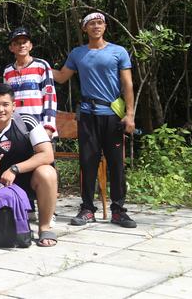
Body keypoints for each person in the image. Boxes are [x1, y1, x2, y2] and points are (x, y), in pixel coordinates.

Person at [53, 12, 136, 228]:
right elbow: (61, 77)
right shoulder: (78, 53)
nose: (96, 26)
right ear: (84, 29)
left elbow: (127, 84)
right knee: (87, 162)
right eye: (91, 24)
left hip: (112, 116)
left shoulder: (118, 51)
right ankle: (87, 209)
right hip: (88, 115)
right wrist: (35, 65)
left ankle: (118, 210)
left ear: (105, 26)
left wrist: (130, 114)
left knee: (116, 164)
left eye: (100, 23)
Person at [0, 83, 58, 247]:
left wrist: (15, 169)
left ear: (14, 106)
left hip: (29, 181)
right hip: (0, 188)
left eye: (5, 104)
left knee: (47, 172)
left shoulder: (27, 123)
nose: (0, 109)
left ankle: (44, 228)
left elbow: (47, 154)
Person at [3, 27, 58, 137]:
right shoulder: (7, 71)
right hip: (16, 128)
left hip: (40, 126)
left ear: (31, 46)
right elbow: (7, 100)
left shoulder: (41, 66)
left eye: (24, 42)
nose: (21, 45)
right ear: (11, 48)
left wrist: (48, 126)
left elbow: (50, 96)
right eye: (17, 43)